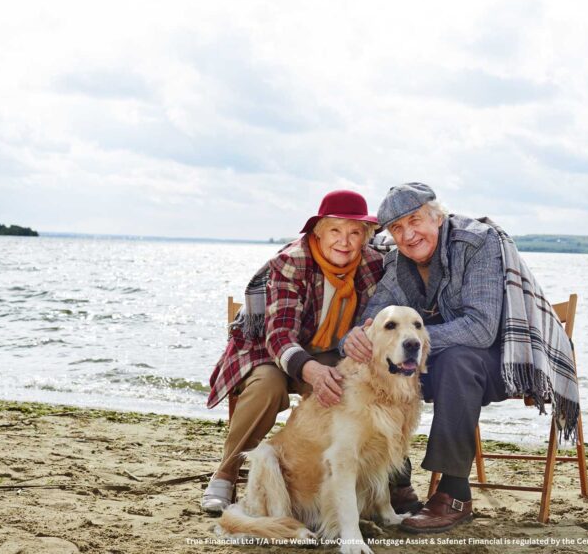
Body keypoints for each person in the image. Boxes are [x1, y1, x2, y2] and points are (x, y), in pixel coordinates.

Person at [201, 189, 422, 516]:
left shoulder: (374, 264)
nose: (344, 242)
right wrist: (312, 372)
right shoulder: (292, 262)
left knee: (378, 383)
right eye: (335, 231)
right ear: (317, 233)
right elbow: (278, 336)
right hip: (274, 352)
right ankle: (226, 473)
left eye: (354, 233)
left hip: (334, 353)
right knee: (267, 387)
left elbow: (404, 249)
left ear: (366, 237)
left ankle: (394, 480)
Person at [341, 182, 509, 533]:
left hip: (493, 361)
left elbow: (481, 328)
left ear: (436, 216)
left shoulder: (477, 242)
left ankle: (454, 494)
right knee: (386, 369)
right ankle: (396, 483)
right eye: (397, 228)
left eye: (415, 220)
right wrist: (355, 337)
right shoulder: (400, 262)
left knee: (452, 361)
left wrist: (412, 341)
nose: (408, 234)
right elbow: (373, 317)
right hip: (433, 361)